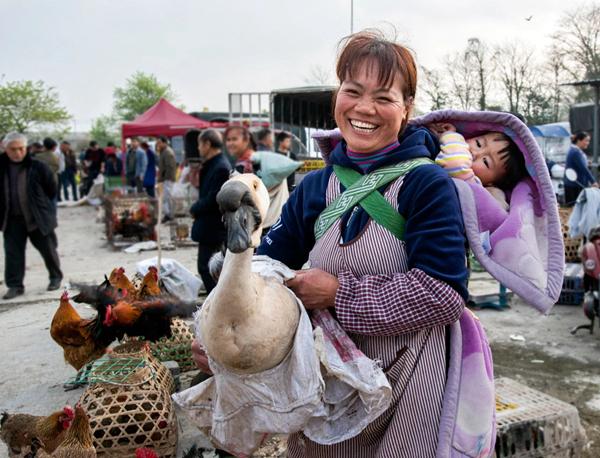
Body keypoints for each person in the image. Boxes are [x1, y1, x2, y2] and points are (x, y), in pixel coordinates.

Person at [193, 31, 471, 456]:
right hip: (326, 385)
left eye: (383, 97)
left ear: (407, 108)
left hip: (407, 387)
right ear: (337, 95)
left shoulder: (426, 183)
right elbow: (265, 266)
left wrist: (339, 294)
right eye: (352, 91)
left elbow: (444, 293)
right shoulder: (317, 185)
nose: (364, 108)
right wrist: (222, 329)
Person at [0, 132, 63, 299]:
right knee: (13, 254)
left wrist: (42, 207)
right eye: (13, 149)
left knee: (48, 250)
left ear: (25, 148)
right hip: (11, 219)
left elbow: (51, 189)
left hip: (37, 218)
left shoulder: (37, 166)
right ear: (4, 148)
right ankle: (15, 285)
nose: (17, 153)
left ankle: (55, 277)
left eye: (21, 148)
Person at [428, 122, 527, 209]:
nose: (475, 153)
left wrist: (450, 135)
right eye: (478, 144)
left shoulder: (474, 185)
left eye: (486, 162)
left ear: (491, 183)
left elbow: (455, 164)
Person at [190, 129, 231, 294]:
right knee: (206, 267)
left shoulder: (220, 167)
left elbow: (215, 198)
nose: (199, 148)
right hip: (209, 225)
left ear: (207, 144)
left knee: (207, 267)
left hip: (213, 225)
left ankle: (215, 303)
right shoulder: (213, 164)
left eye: (200, 144)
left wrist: (195, 208)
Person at [564, 131, 598, 206]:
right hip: (574, 186)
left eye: (588, 141)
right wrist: (593, 182)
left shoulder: (576, 151)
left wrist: (587, 163)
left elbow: (581, 165)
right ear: (579, 140)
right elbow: (584, 169)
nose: (587, 143)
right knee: (574, 210)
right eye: (586, 140)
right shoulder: (575, 152)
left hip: (576, 185)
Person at [156, 136, 178, 223]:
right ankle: (168, 214)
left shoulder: (168, 152)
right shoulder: (163, 151)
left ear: (165, 143)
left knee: (167, 197)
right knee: (165, 197)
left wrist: (165, 178)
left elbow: (170, 167)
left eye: (160, 142)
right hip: (165, 179)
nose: (158, 144)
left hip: (168, 179)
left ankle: (169, 215)